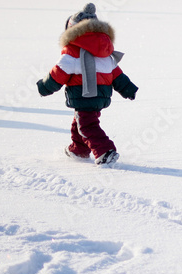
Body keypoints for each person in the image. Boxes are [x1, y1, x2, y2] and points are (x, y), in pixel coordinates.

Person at [37, 3, 138, 166]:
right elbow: (116, 73)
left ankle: (105, 151)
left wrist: (44, 87)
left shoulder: (72, 52)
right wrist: (128, 89)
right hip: (101, 95)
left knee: (86, 125)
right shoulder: (104, 51)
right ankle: (78, 150)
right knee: (80, 123)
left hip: (84, 94)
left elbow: (58, 74)